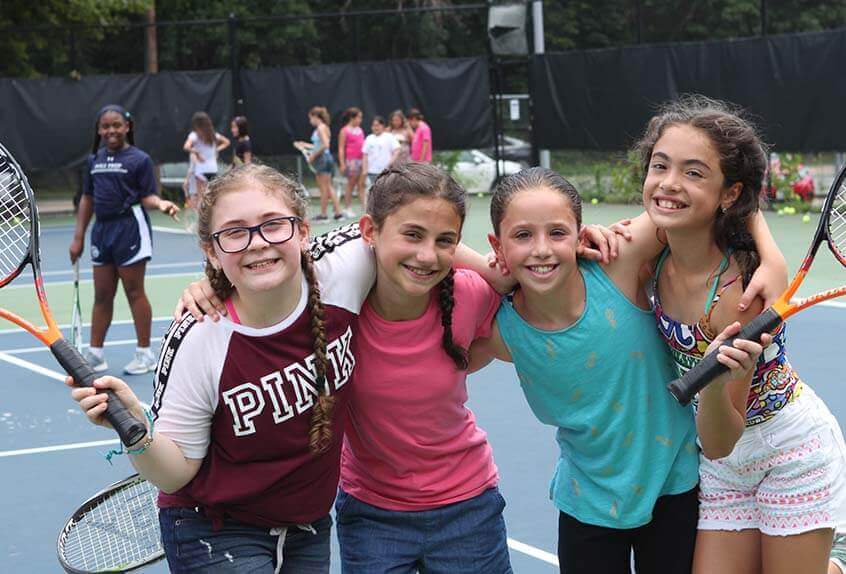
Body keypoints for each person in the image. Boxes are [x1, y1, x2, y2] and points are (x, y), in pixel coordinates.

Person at [469, 167, 785, 574]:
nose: (542, 249)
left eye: (558, 233)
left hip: (674, 489)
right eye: (523, 235)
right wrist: (482, 266)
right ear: (498, 244)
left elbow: (697, 205)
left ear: (581, 234)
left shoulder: (617, 264)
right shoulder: (504, 332)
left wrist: (770, 254)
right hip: (586, 504)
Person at [68, 163, 374, 573]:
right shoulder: (198, 339)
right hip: (215, 528)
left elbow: (416, 224)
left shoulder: (344, 268)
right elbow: (175, 474)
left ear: (302, 231)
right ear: (211, 250)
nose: (257, 243)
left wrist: (489, 271)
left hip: (309, 523)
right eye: (235, 232)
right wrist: (136, 429)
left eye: (273, 224)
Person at [638, 96, 846, 574]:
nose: (669, 183)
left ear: (728, 194)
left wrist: (712, 381)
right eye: (660, 166)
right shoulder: (655, 245)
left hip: (790, 451)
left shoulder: (742, 294)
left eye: (693, 173)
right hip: (725, 466)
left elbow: (719, 438)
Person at [69, 105, 179, 375]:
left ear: (127, 127)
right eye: (105, 126)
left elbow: (148, 196)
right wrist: (78, 236)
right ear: (99, 130)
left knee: (134, 291)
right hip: (102, 232)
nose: (111, 131)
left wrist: (162, 204)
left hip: (130, 229)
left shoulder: (139, 159)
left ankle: (145, 354)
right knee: (102, 295)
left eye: (116, 125)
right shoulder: (94, 160)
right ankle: (95, 355)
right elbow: (87, 198)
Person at [294, 106, 344, 223]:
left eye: (311, 118)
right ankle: (338, 213)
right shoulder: (324, 127)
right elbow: (319, 145)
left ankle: (324, 215)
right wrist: (304, 144)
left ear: (316, 117)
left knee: (323, 188)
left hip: (322, 159)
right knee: (328, 187)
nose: (310, 121)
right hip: (326, 158)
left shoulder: (320, 128)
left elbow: (325, 145)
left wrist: (313, 156)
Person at [182, 111, 230, 208]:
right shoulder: (213, 135)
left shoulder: (194, 135)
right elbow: (227, 142)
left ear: (197, 124)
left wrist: (196, 152)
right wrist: (216, 150)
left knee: (202, 197)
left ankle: (204, 220)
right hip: (212, 169)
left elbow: (186, 147)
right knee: (211, 196)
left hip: (201, 170)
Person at [337, 107, 366, 218]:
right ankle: (347, 208)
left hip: (362, 160)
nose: (360, 120)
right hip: (351, 162)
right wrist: (342, 163)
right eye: (358, 117)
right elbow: (341, 148)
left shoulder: (360, 130)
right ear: (351, 118)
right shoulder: (344, 131)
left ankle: (365, 207)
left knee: (361, 184)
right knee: (351, 184)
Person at [361, 116, 399, 191]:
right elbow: (365, 154)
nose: (376, 128)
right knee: (373, 191)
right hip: (371, 171)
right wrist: (364, 169)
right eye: (374, 125)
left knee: (385, 191)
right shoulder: (369, 138)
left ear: (383, 126)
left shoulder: (389, 137)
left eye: (378, 125)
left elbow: (397, 150)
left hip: (385, 171)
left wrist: (390, 163)